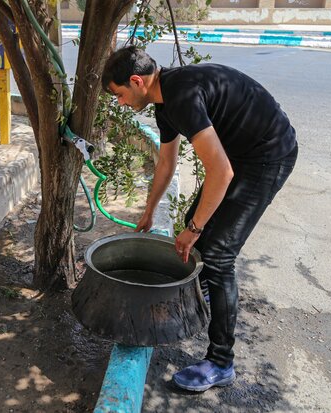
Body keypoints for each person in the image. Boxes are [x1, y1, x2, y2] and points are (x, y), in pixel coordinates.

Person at [101, 46, 298, 392]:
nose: (120, 103)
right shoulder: (164, 103)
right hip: (239, 154)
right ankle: (203, 296)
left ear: (136, 81)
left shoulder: (182, 97)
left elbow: (220, 172)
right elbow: (166, 163)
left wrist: (193, 230)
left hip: (269, 155)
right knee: (196, 232)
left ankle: (221, 362)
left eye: (119, 95)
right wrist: (149, 211)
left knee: (218, 254)